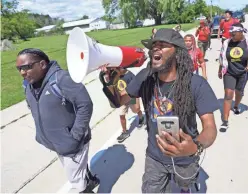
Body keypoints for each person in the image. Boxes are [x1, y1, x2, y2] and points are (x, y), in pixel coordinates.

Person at [102, 28, 219, 193]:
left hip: (185, 157)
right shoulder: (144, 77)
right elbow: (119, 101)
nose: (155, 48)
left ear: (177, 53)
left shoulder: (196, 84)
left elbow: (210, 128)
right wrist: (109, 84)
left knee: (185, 187)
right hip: (155, 157)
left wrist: (194, 147)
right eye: (153, 45)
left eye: (162, 45)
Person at [16, 48, 100, 193]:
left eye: (26, 67)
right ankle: (89, 179)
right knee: (78, 168)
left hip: (71, 142)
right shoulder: (28, 85)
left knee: (76, 182)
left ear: (42, 64)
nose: (22, 72)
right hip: (56, 141)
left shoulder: (62, 79)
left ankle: (86, 188)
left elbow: (85, 104)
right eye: (19, 68)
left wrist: (74, 136)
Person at [218, 23, 248, 131]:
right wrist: (220, 70)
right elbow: (221, 57)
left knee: (239, 91)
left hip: (243, 72)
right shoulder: (227, 42)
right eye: (231, 34)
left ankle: (236, 106)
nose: (232, 36)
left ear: (241, 32)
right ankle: (225, 121)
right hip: (229, 72)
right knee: (228, 94)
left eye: (234, 34)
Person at [100, 67, 144, 143]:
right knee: (121, 115)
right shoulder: (114, 74)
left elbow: (135, 86)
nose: (118, 69)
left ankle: (141, 117)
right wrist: (106, 73)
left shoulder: (129, 75)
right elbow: (108, 82)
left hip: (130, 96)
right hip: (120, 98)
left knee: (136, 110)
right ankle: (124, 132)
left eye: (120, 68)